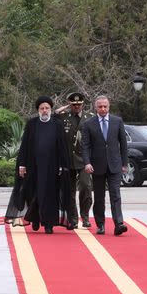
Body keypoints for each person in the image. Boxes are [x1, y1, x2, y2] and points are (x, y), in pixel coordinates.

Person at [5, 96, 71, 234]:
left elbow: (62, 147)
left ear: (50, 109)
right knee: (34, 193)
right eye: (42, 108)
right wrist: (22, 164)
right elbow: (24, 145)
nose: (45, 110)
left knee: (50, 195)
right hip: (34, 166)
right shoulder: (32, 124)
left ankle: (49, 224)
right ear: (38, 110)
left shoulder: (57, 124)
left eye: (47, 108)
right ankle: (35, 219)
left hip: (52, 167)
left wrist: (61, 165)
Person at [81, 95, 129, 236]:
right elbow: (85, 146)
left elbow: (123, 144)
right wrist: (87, 162)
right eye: (100, 106)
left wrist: (124, 163)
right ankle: (100, 224)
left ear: (109, 107)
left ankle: (119, 223)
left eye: (105, 106)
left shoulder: (117, 121)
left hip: (115, 165)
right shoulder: (88, 124)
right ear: (96, 107)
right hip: (97, 166)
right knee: (99, 198)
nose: (103, 109)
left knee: (116, 195)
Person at [55, 92, 94, 229]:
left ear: (83, 104)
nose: (76, 107)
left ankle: (85, 216)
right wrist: (59, 110)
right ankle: (73, 219)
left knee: (85, 186)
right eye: (73, 105)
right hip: (68, 159)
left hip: (84, 159)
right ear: (69, 105)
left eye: (79, 104)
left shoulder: (90, 118)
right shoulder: (63, 117)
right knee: (69, 191)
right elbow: (51, 120)